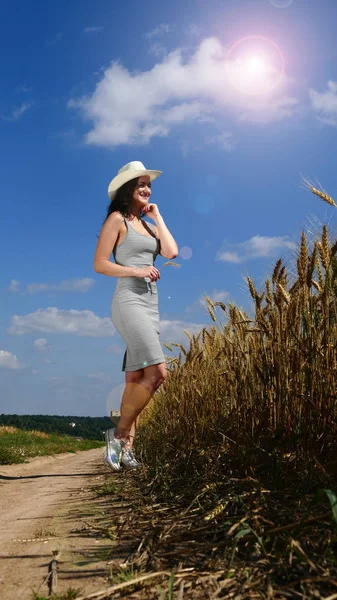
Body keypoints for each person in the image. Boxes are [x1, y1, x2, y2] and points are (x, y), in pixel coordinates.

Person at [94, 161, 178, 471]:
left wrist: (157, 216)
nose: (146, 188)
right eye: (139, 184)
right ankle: (116, 436)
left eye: (148, 184)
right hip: (128, 300)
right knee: (157, 373)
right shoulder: (117, 220)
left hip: (151, 305)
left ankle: (127, 448)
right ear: (127, 189)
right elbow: (100, 264)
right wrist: (138, 270)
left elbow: (170, 252)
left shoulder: (148, 225)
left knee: (136, 377)